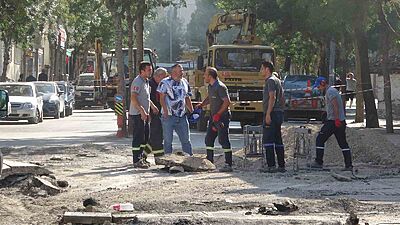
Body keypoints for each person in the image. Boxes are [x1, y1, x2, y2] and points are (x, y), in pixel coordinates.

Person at [309, 76, 353, 171]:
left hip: (334, 121)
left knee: (320, 139)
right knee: (343, 143)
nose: (318, 88)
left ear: (323, 83)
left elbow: (335, 106)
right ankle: (349, 165)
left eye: (319, 86)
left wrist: (336, 119)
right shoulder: (331, 91)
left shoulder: (330, 92)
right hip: (339, 121)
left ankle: (318, 162)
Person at [196, 67, 233, 172]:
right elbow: (210, 97)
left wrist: (219, 114)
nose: (204, 76)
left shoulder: (220, 87)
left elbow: (227, 102)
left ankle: (228, 164)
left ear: (210, 76)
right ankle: (209, 162)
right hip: (213, 117)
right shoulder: (211, 86)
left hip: (222, 118)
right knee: (209, 139)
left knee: (223, 140)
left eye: (205, 75)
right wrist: (202, 104)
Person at [157, 64, 194, 156]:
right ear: (174, 72)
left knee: (186, 140)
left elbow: (187, 97)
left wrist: (191, 109)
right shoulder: (165, 82)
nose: (182, 72)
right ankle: (168, 159)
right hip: (169, 116)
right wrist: (165, 111)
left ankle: (189, 159)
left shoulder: (184, 82)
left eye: (182, 70)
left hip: (182, 116)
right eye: (180, 71)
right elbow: (161, 98)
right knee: (168, 140)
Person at [130, 61, 159, 168]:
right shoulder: (137, 81)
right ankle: (136, 160)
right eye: (148, 70)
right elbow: (133, 98)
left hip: (144, 114)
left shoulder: (146, 82)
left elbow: (146, 98)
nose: (150, 72)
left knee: (145, 138)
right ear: (142, 71)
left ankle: (142, 158)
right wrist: (142, 110)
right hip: (137, 114)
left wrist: (152, 107)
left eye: (151, 70)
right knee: (138, 137)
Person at [261, 61, 286, 173]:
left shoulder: (270, 80)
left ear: (267, 69)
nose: (261, 71)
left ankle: (271, 165)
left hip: (272, 113)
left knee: (268, 139)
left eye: (262, 68)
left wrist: (268, 114)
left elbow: (272, 97)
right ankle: (281, 165)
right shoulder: (277, 80)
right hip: (279, 113)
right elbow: (282, 98)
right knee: (278, 139)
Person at [144, 67, 168, 161]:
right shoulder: (150, 84)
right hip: (153, 113)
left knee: (156, 135)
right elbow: (146, 98)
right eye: (164, 77)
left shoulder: (161, 85)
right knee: (156, 135)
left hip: (160, 112)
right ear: (159, 76)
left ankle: (144, 154)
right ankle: (159, 158)